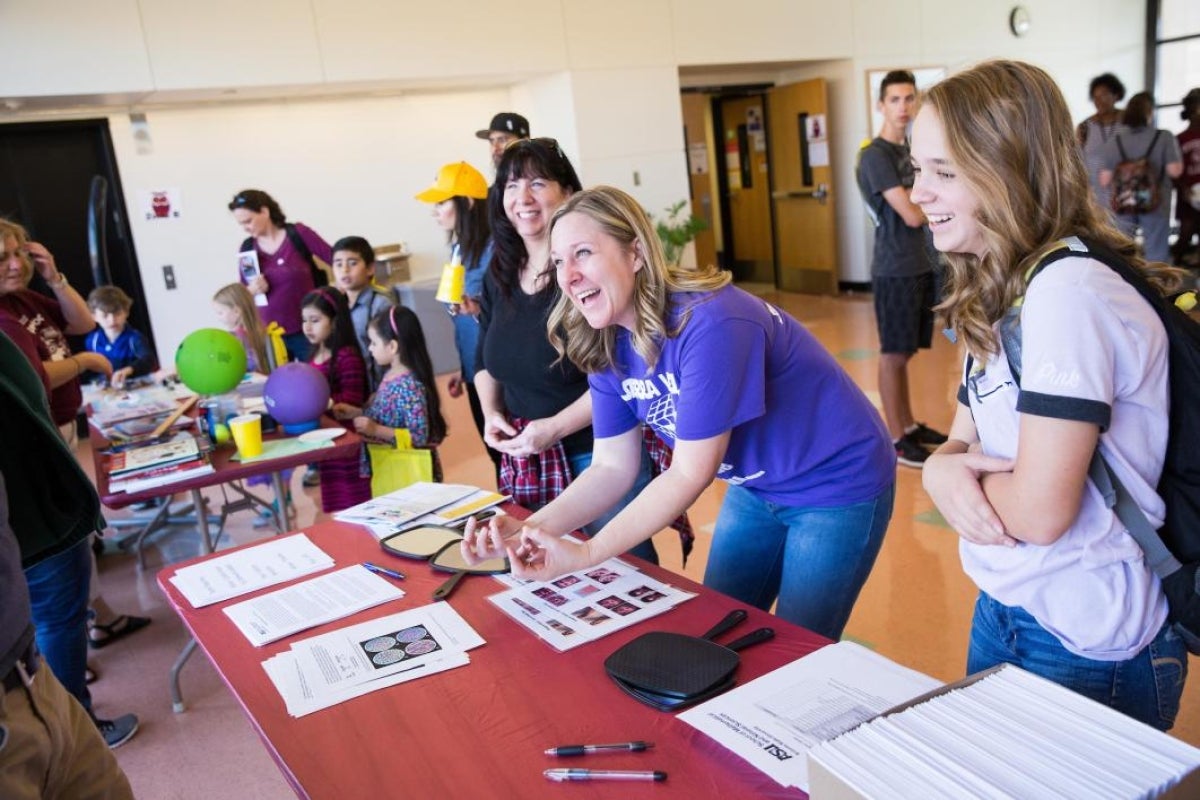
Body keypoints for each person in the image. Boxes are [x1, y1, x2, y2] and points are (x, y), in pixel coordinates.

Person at [463, 186, 897, 640]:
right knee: (720, 627)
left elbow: (689, 473)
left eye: (583, 253)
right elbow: (612, 467)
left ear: (635, 253)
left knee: (796, 644)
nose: (567, 276)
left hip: (836, 483)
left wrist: (588, 554)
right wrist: (528, 530)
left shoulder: (710, 322)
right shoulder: (607, 338)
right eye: (557, 262)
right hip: (756, 486)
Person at [914, 60, 1187, 730]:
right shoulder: (1002, 283)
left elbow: (1039, 511)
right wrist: (944, 467)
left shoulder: (1067, 292)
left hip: (1085, 634)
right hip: (1007, 603)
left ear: (1008, 169)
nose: (919, 192)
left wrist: (944, 479)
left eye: (945, 172)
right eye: (917, 168)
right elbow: (961, 437)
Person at [473, 140, 665, 563]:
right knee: (544, 569)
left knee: (627, 569)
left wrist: (556, 426)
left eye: (537, 183)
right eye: (510, 185)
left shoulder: (588, 277)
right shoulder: (499, 273)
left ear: (567, 193)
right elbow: (484, 360)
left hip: (598, 449)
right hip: (531, 457)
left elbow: (621, 370)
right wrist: (491, 415)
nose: (522, 199)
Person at [0, 220, 150, 654]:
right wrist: (83, 362)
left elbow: (81, 322)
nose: (15, 265)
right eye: (3, 258)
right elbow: (35, 375)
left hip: (64, 425)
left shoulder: (24, 299)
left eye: (20, 254)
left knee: (80, 535)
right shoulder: (5, 317)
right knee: (64, 542)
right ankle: (71, 646)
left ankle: (98, 614)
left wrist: (55, 278)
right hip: (41, 437)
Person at [0, 329, 140, 752]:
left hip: (38, 513)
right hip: (34, 521)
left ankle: (69, 725)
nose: (14, 263)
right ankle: (78, 730)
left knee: (53, 621)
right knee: (56, 620)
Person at [856, 70, 947, 467]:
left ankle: (908, 426)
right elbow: (912, 214)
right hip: (894, 267)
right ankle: (895, 437)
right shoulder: (876, 155)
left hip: (921, 265)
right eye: (895, 99)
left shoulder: (910, 151)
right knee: (893, 353)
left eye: (910, 98)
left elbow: (926, 197)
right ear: (881, 105)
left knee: (907, 350)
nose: (904, 107)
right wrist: (930, 195)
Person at [415, 161, 500, 480]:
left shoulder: (494, 248)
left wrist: (478, 308)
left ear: (465, 203)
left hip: (496, 367)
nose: (435, 211)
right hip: (473, 365)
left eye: (441, 202)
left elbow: (503, 310)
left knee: (505, 449)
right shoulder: (458, 248)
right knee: (493, 450)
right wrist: (460, 368)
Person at [334, 305, 447, 482]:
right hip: (390, 466)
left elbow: (418, 435)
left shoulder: (409, 386)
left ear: (392, 346)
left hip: (408, 473)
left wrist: (376, 430)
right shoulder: (390, 375)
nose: (370, 349)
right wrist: (357, 413)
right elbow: (389, 414)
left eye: (374, 343)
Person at [228, 189, 333, 362]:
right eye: (241, 224)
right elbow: (243, 294)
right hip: (271, 334)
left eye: (248, 221)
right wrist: (252, 289)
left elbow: (334, 257)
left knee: (318, 379)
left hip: (307, 330)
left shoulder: (298, 234)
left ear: (265, 211)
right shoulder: (247, 249)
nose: (246, 228)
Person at [301, 287, 370, 512]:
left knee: (357, 504)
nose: (307, 327)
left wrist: (320, 401)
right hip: (326, 441)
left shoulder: (346, 356)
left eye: (315, 320)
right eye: (304, 320)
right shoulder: (313, 354)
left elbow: (352, 401)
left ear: (334, 321)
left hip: (347, 443)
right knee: (339, 507)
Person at [1099, 92, 1184, 265]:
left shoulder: (1115, 141)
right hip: (1156, 203)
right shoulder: (1164, 137)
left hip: (1123, 203)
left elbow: (1104, 180)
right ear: (1150, 112)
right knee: (1156, 251)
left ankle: (1128, 285)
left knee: (1123, 250)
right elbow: (1175, 171)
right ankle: (1157, 288)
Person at [330, 236, 394, 392]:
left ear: (370, 268)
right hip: (351, 386)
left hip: (377, 388)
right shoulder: (335, 304)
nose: (344, 270)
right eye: (338, 264)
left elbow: (392, 355)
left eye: (352, 263)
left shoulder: (380, 304)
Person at [84, 285, 156, 389]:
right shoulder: (92, 341)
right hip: (106, 390)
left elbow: (148, 360)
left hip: (134, 388)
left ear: (126, 312)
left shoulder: (134, 338)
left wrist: (128, 370)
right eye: (105, 316)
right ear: (94, 316)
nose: (112, 320)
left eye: (117, 314)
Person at [1077, 72, 1127, 212]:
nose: (1099, 101)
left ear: (1116, 95)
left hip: (1125, 189)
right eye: (1095, 97)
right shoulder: (1085, 126)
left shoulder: (1128, 121)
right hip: (1095, 194)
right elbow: (1078, 161)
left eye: (1104, 95)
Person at [213, 282, 270, 373]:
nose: (218, 318)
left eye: (220, 313)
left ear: (236, 311)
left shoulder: (237, 337)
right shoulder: (261, 330)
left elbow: (247, 365)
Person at [1174, 88, 1200, 268]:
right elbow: (1174, 172)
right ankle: (1175, 270)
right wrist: (1183, 188)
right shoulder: (1179, 139)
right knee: (1185, 233)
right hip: (1189, 194)